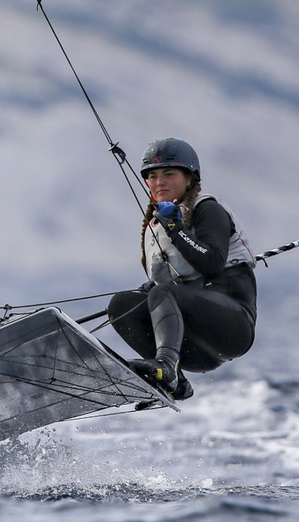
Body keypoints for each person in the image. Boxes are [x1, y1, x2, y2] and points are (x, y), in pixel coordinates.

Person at [107, 138, 257, 401]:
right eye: (152, 176)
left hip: (233, 328)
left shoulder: (207, 208)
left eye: (169, 173)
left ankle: (166, 367)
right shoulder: (160, 220)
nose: (159, 182)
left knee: (163, 293)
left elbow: (212, 264)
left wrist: (175, 229)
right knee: (122, 304)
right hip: (197, 346)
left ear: (189, 179)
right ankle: (175, 381)